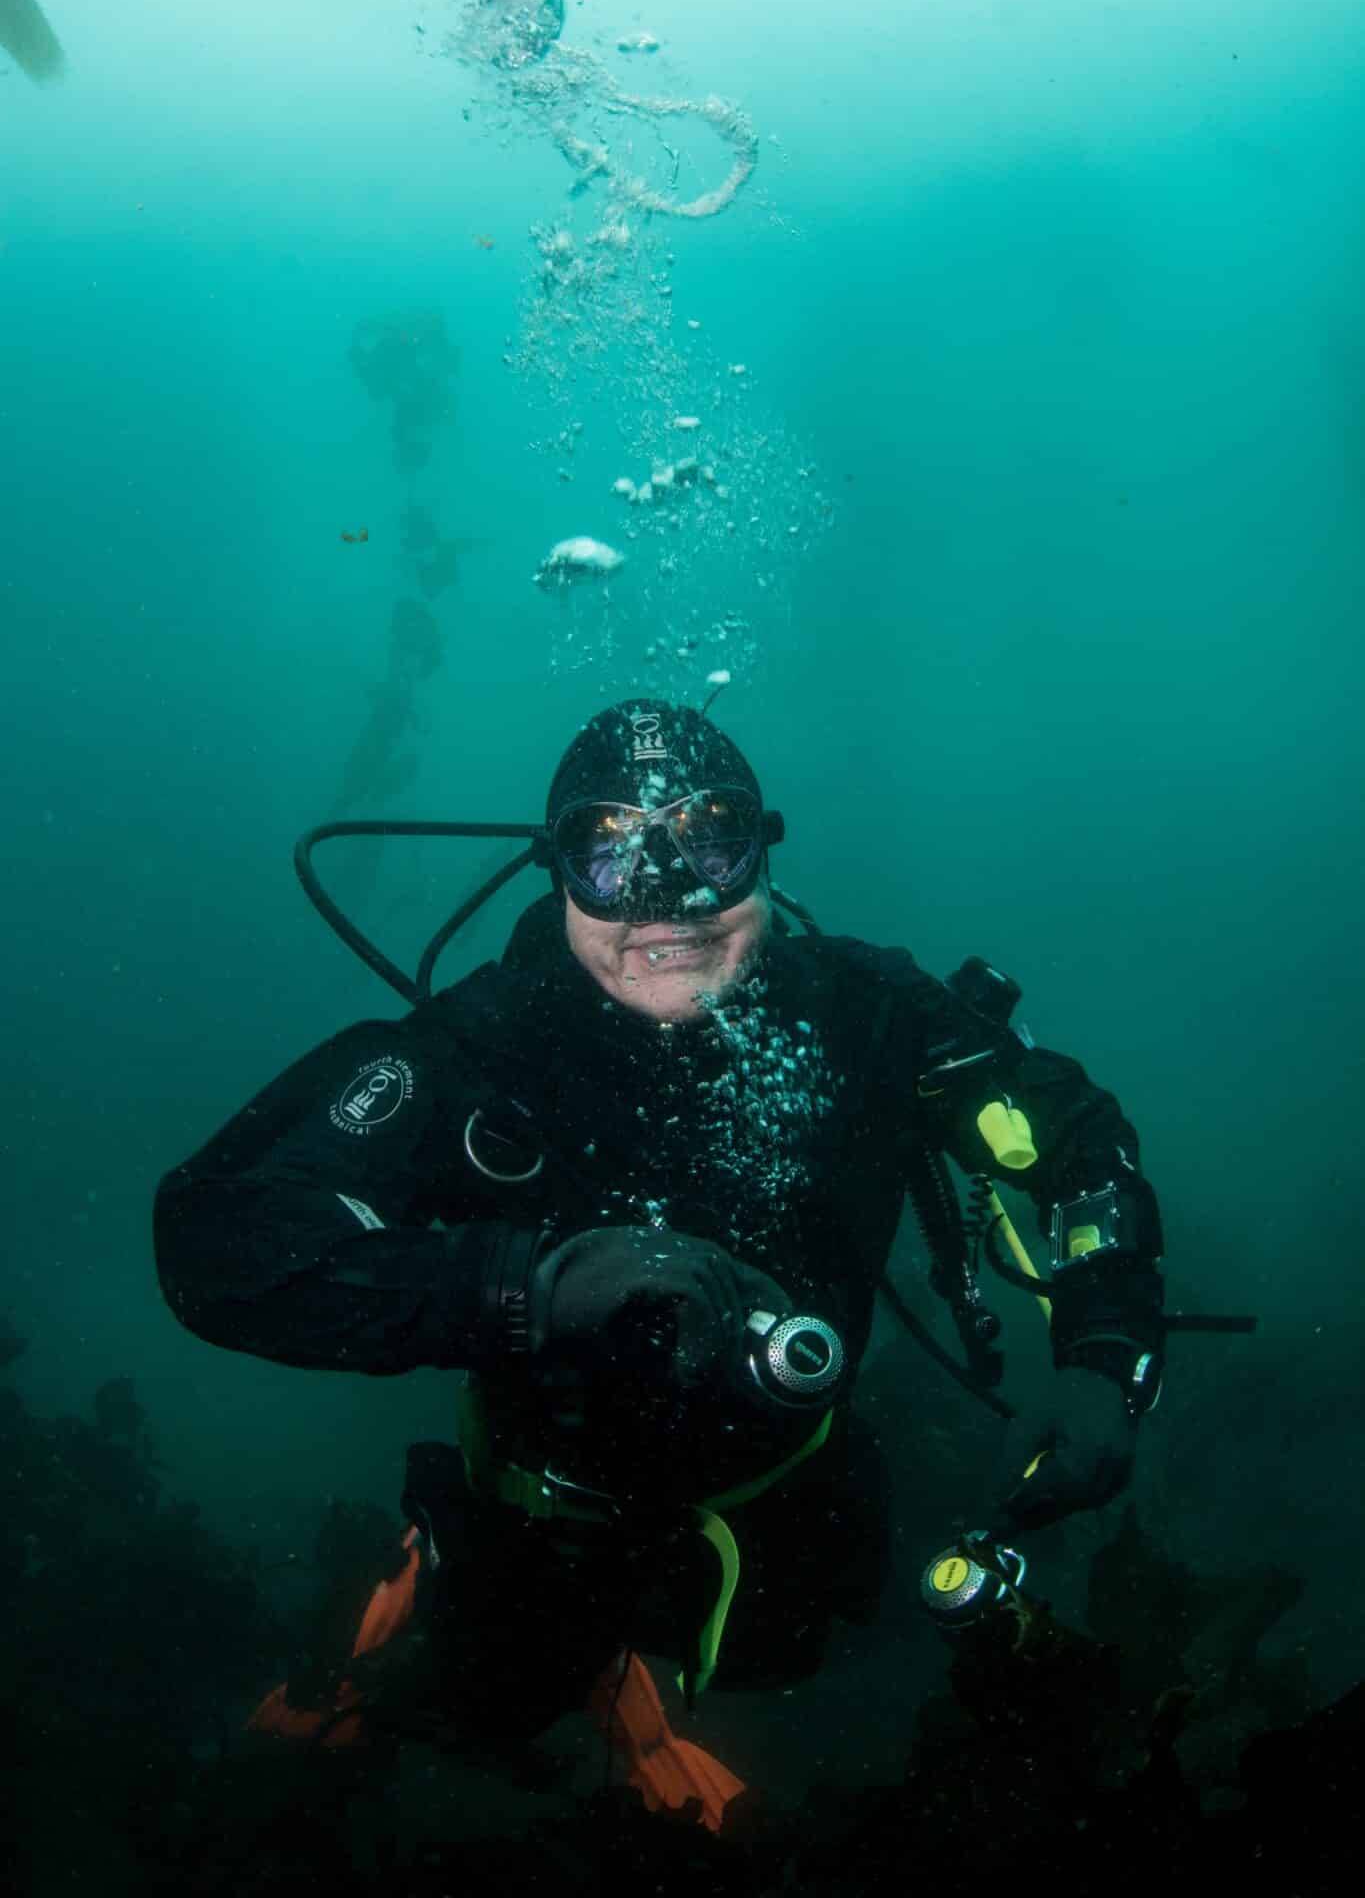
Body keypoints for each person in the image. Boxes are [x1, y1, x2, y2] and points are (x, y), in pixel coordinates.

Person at [154, 698, 1166, 1828]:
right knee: (457, 1722)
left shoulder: (870, 1013)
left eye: (710, 837)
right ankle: (414, 1615)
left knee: (822, 1711)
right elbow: (219, 1235)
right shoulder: (481, 1045)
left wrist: (1106, 1352)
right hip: (535, 1522)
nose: (667, 894)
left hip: (795, 1490)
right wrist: (525, 1285)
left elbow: (1075, 1140)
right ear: (555, 869)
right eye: (609, 848)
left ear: (764, 847)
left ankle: (653, 1702)